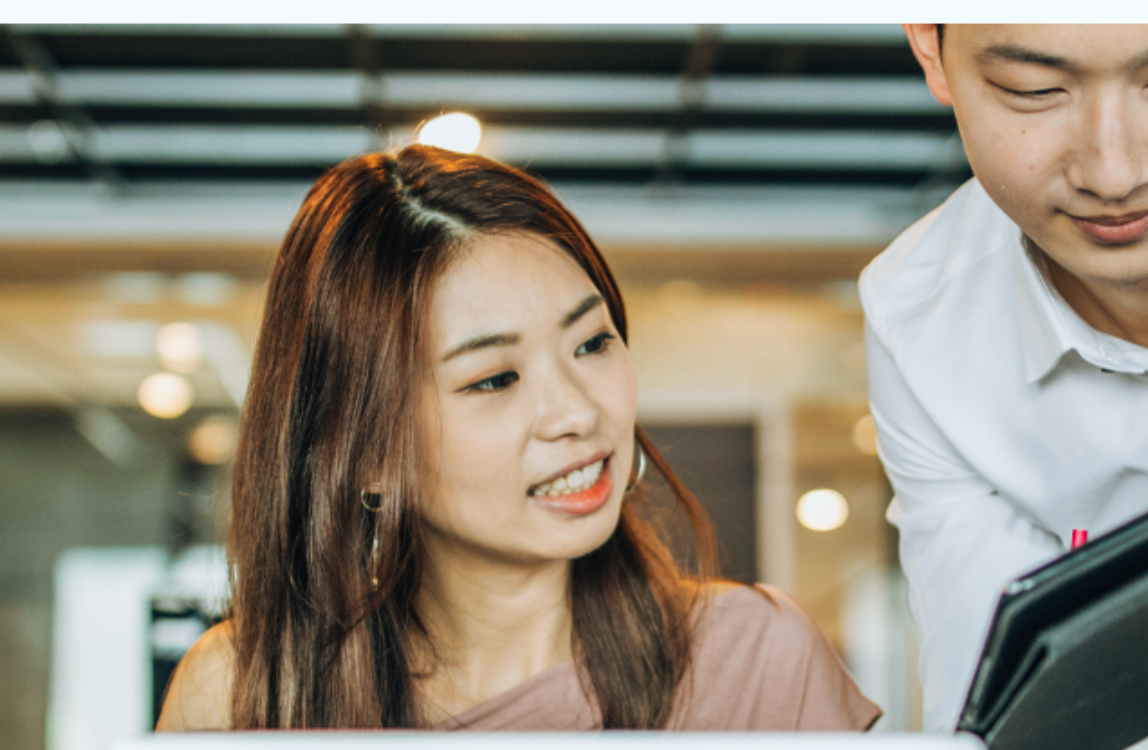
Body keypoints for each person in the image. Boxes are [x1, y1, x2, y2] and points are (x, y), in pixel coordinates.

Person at [156, 145, 880, 731]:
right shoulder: (243, 694)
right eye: (495, 379)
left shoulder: (754, 660)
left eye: (593, 343)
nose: (575, 411)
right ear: (367, 453)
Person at [861, 24, 1148, 733]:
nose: (1114, 173)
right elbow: (1008, 716)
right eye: (1033, 91)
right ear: (929, 52)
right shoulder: (922, 321)